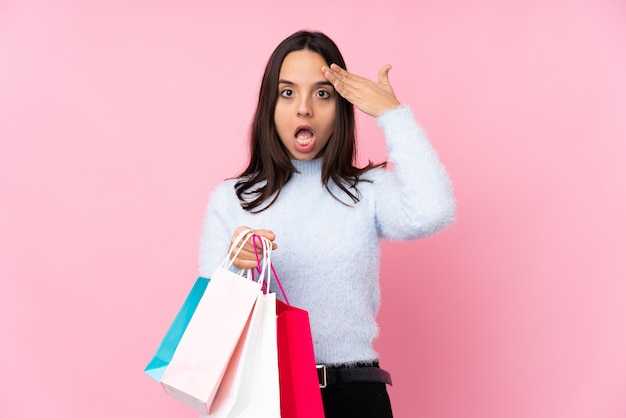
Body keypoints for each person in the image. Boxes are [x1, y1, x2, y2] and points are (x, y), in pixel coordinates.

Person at [199, 30, 456, 418]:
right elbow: (211, 320)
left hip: (355, 397)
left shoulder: (366, 190)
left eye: (322, 93)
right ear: (269, 104)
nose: (304, 109)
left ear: (342, 106)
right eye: (288, 93)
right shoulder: (233, 199)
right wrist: (234, 264)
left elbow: (433, 211)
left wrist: (393, 116)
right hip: (266, 396)